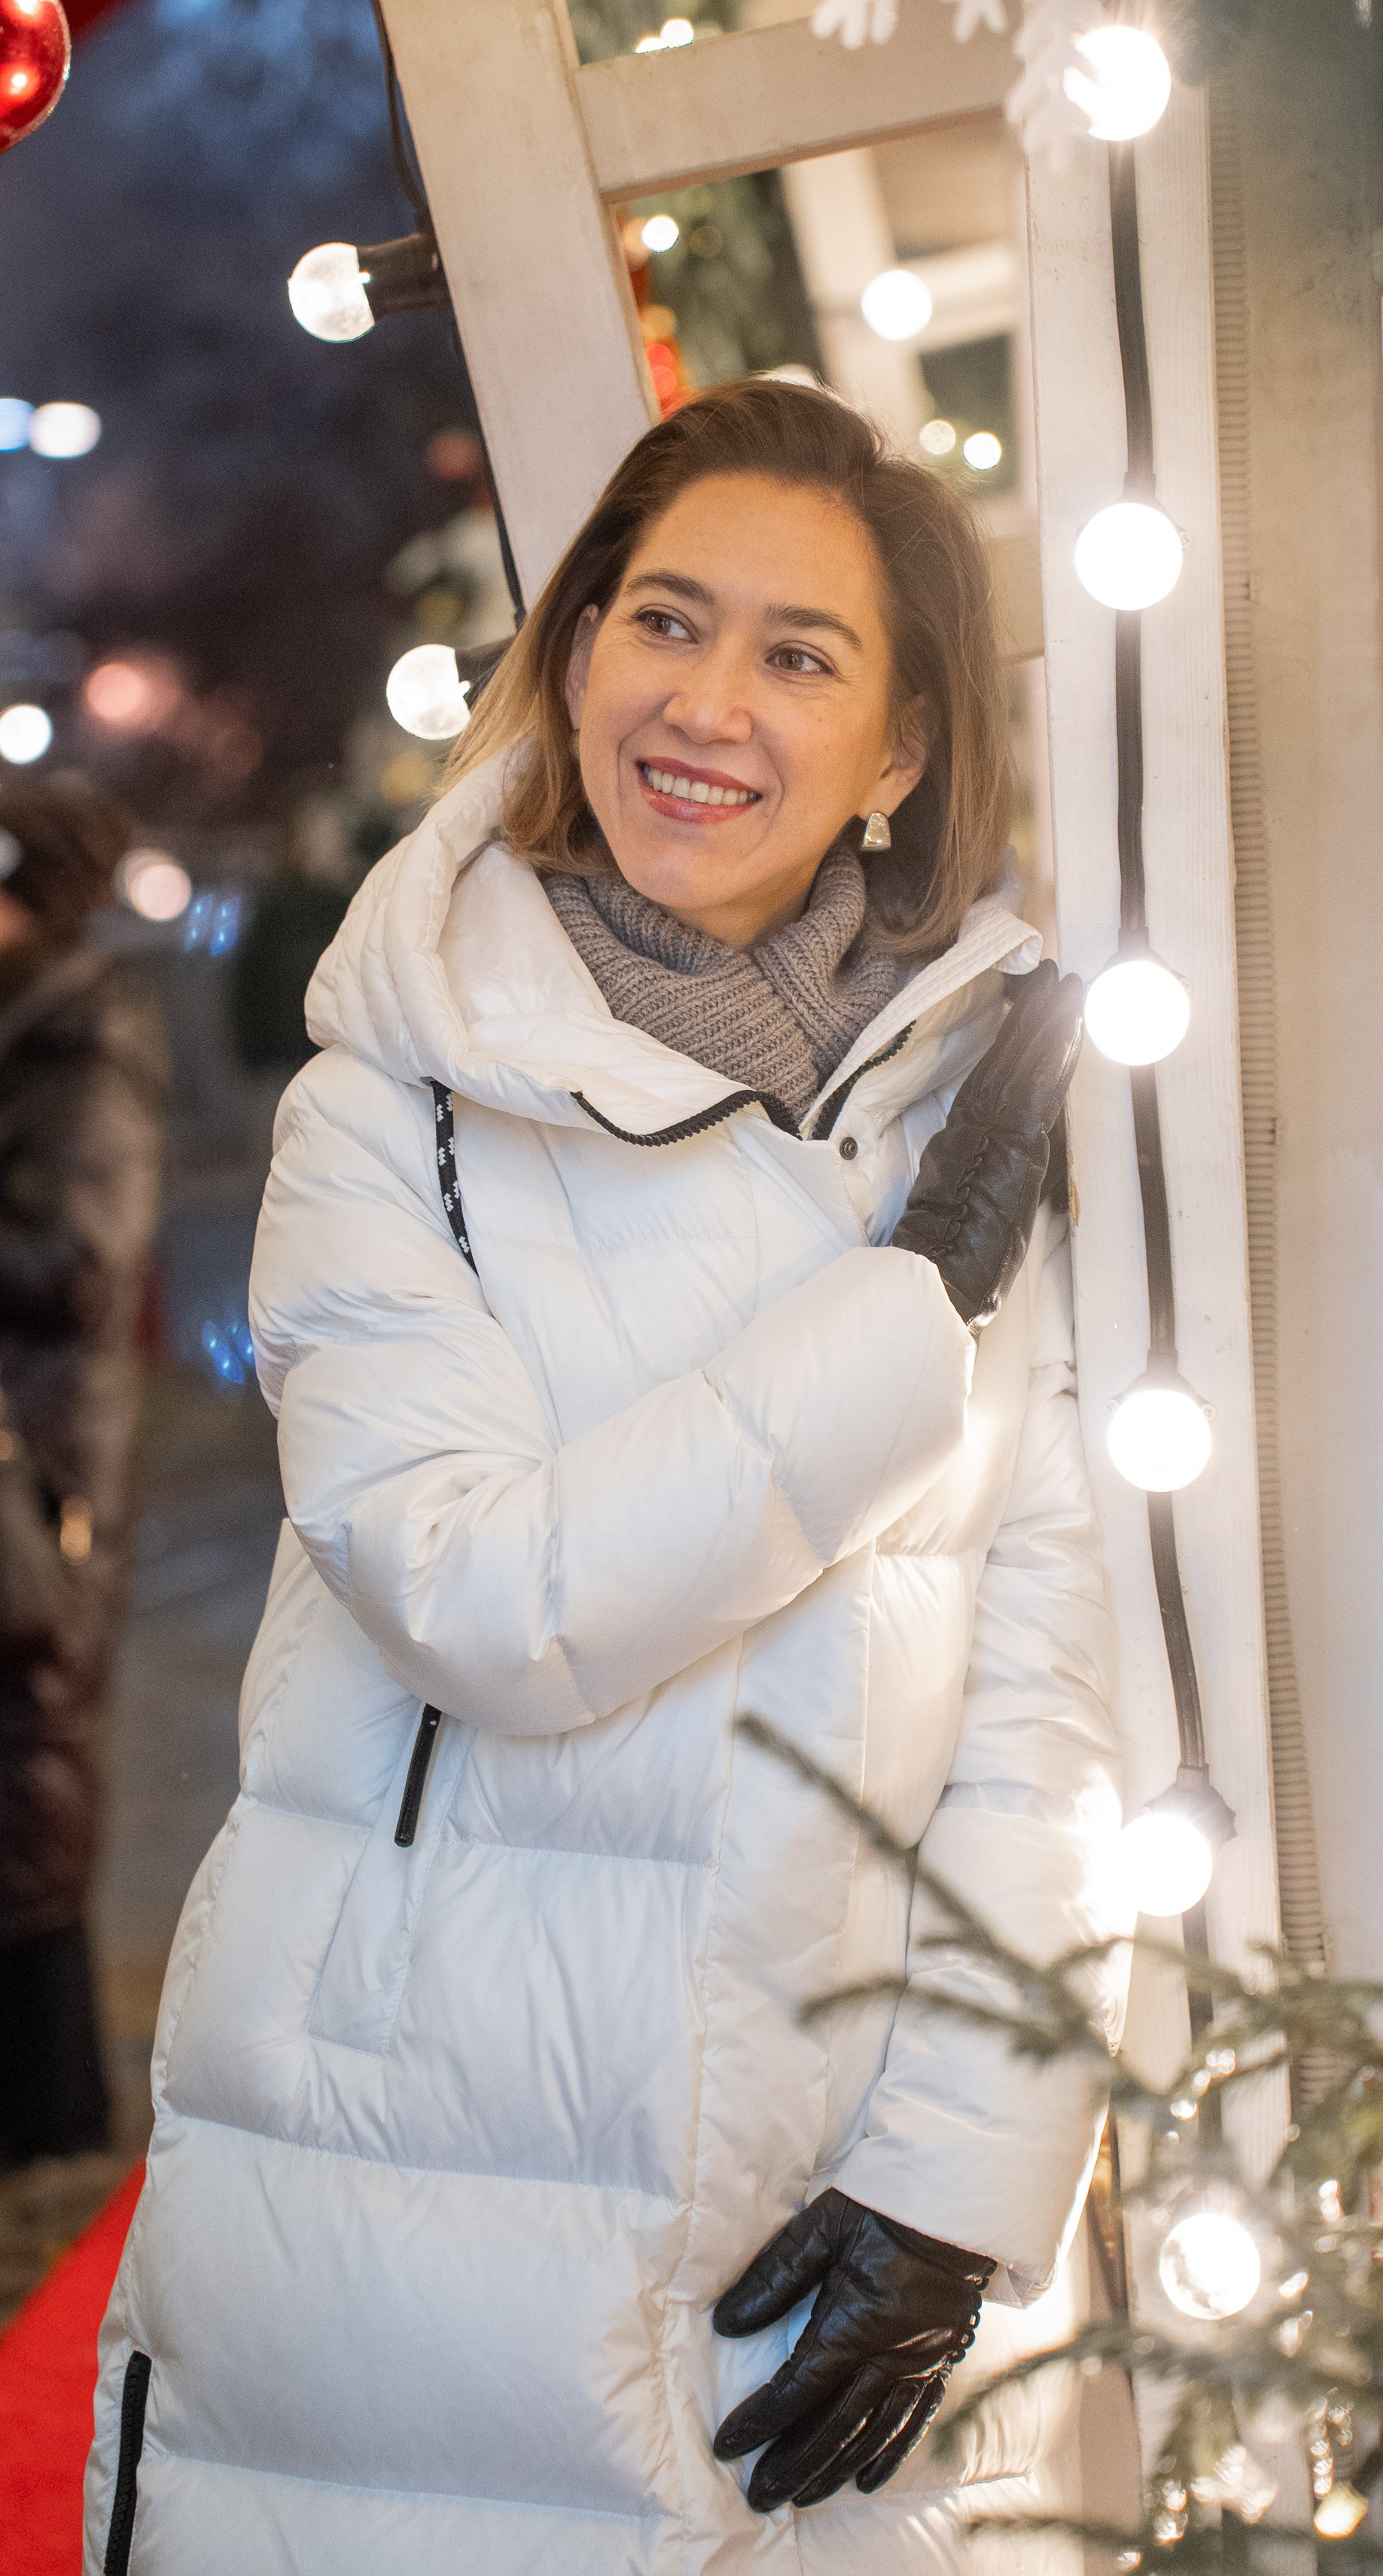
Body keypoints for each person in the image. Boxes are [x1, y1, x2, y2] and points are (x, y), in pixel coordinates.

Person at [87, 379, 1123, 2574]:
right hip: (425, 2182)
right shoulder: (396, 1108)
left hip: (826, 2213)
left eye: (798, 654)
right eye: (663, 622)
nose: (707, 704)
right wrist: (906, 1308)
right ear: (570, 662)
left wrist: (960, 2170)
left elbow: (1041, 1716)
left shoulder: (977, 1107)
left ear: (902, 751)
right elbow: (483, 1597)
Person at [0, 778, 165, 2170]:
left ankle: (55, 2126)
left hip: (36, 1477)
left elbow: (76, 1261)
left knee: (30, 1770)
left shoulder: (85, 1043)